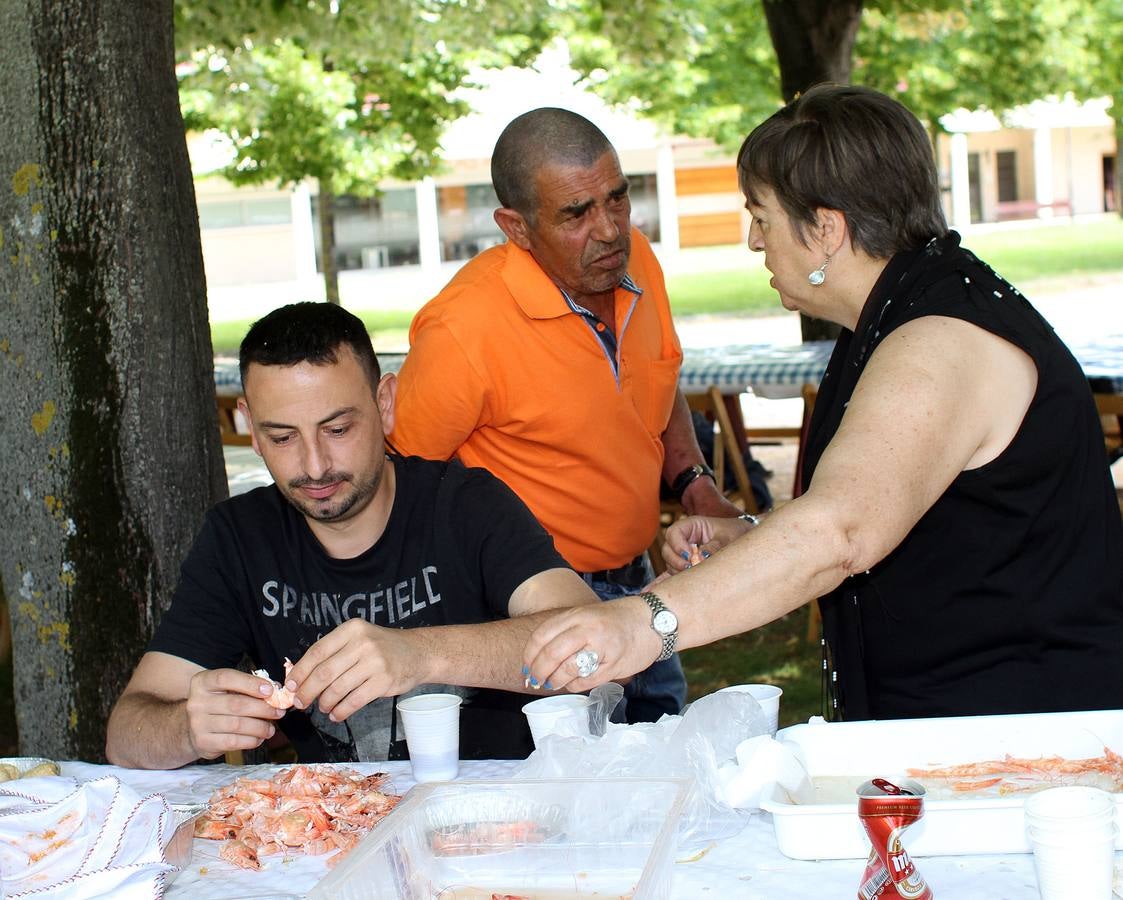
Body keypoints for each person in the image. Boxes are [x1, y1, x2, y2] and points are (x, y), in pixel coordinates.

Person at [521, 84, 1123, 722]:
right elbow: (891, 510)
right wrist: (754, 541)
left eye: (763, 217)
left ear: (827, 229)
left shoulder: (940, 341)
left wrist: (643, 625)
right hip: (961, 727)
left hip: (1021, 740)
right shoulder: (893, 316)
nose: (756, 242)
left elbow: (839, 532)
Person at [105, 302, 600, 769]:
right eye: (282, 438)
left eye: (337, 429)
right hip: (334, 831)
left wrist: (420, 654)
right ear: (251, 430)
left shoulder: (465, 504)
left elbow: (596, 647)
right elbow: (126, 734)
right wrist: (187, 728)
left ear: (384, 404)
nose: (314, 465)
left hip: (495, 820)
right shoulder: (239, 537)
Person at [390, 107, 744, 723]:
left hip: (643, 586)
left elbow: (658, 380)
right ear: (516, 227)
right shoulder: (462, 328)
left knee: (661, 759)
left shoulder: (638, 261)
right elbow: (401, 482)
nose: (609, 230)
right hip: (532, 609)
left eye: (618, 199)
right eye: (576, 214)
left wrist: (696, 487)